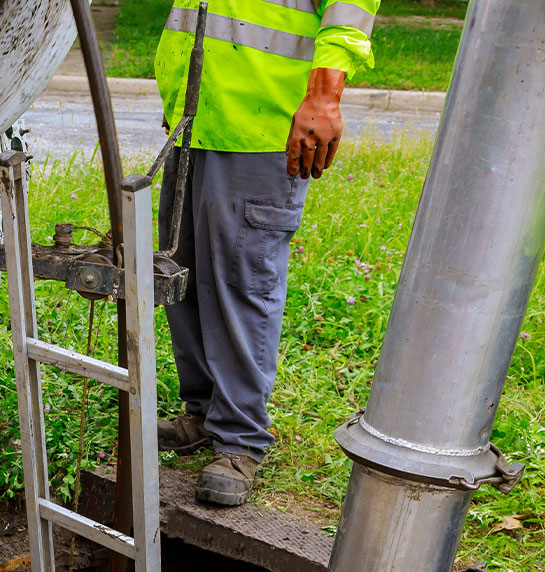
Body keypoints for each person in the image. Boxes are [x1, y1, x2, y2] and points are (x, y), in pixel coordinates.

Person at [154, 0, 379, 506]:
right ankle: (205, 411)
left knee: (241, 282)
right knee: (180, 273)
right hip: (197, 117)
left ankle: (239, 440)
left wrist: (325, 96)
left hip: (262, 124)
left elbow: (349, 9)